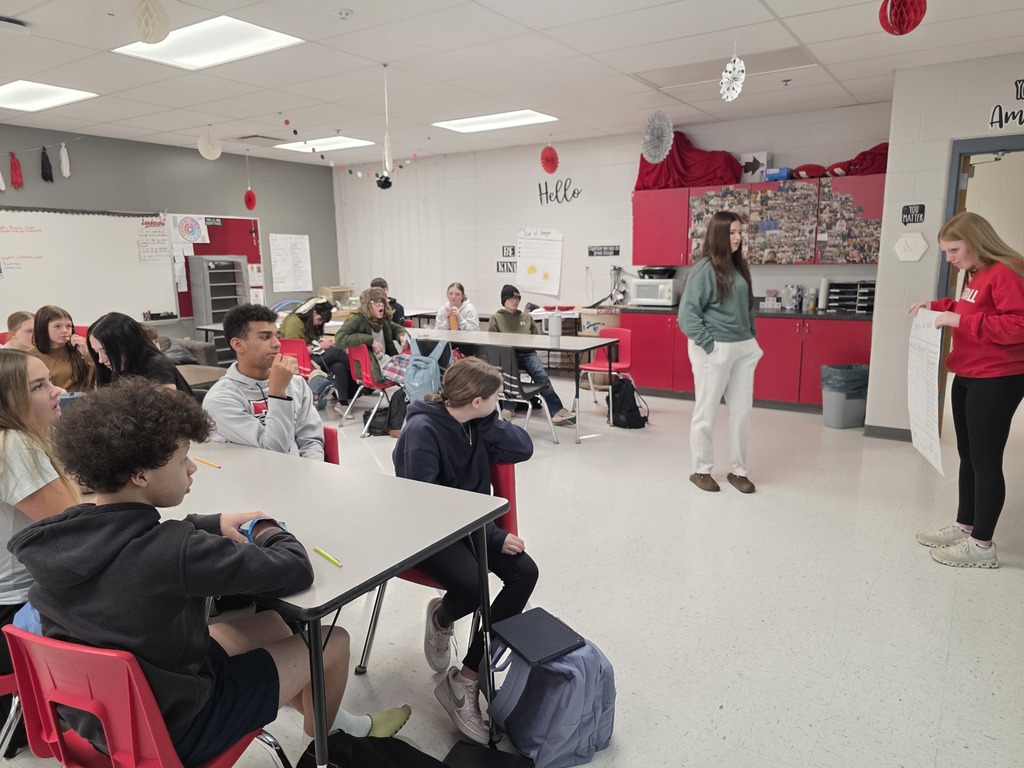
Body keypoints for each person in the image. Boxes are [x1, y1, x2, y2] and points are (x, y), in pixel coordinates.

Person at [7, 380, 409, 768]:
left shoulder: (62, 535)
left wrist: (209, 522)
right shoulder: (176, 553)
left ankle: (320, 712)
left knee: (270, 622)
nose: (192, 468)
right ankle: (326, 741)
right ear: (141, 475)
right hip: (178, 730)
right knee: (332, 641)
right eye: (182, 459)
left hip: (100, 718)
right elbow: (294, 570)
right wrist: (267, 528)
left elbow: (133, 535)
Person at [393, 358, 537, 745]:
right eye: (495, 399)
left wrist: (489, 420)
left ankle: (466, 678)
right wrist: (490, 537)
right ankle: (444, 616)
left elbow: (523, 448)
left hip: (470, 528)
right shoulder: (422, 429)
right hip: (426, 533)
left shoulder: (476, 422)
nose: (500, 402)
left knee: (526, 572)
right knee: (473, 589)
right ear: (475, 399)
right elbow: (427, 505)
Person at [909, 211, 1024, 569]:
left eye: (954, 250)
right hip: (969, 371)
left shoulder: (1007, 270)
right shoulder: (975, 273)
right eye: (946, 252)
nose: (950, 259)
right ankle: (966, 524)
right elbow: (970, 307)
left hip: (998, 377)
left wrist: (961, 320)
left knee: (986, 460)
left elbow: (1018, 324)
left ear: (975, 242)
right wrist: (939, 306)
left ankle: (982, 546)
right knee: (968, 454)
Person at [0, 349, 78, 757]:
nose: (58, 391)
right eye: (39, 386)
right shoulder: (14, 445)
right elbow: (80, 528)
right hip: (16, 617)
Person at [679, 210, 762, 494]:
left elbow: (747, 304)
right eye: (732, 233)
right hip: (714, 348)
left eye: (740, 232)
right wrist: (710, 346)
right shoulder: (704, 269)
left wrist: (751, 334)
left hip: (742, 348)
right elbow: (687, 316)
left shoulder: (740, 267)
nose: (738, 238)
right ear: (718, 235)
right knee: (707, 411)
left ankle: (738, 471)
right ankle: (701, 470)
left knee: (742, 412)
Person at [203, 304, 323, 460]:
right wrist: (278, 394)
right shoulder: (220, 399)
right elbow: (275, 452)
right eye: (265, 337)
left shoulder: (296, 384)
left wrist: (312, 475)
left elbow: (311, 441)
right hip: (253, 480)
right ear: (238, 345)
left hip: (300, 476)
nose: (277, 344)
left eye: (276, 335)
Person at [488, 284, 575, 426]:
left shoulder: (527, 317)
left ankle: (557, 411)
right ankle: (508, 407)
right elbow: (493, 340)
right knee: (510, 375)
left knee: (541, 375)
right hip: (508, 354)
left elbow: (536, 338)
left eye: (517, 298)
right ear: (504, 300)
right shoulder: (496, 318)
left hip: (527, 353)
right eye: (511, 298)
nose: (515, 301)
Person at [88, 311, 192, 394]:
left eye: (105, 351)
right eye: (97, 352)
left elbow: (165, 414)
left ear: (126, 344)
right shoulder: (119, 368)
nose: (101, 359)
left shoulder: (156, 366)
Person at [279, 297, 357, 405]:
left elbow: (309, 343)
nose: (319, 324)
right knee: (336, 352)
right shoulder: (294, 321)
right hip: (299, 362)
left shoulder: (307, 323)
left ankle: (343, 403)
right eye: (320, 320)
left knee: (338, 366)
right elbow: (293, 351)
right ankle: (359, 372)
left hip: (309, 358)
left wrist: (322, 343)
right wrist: (320, 346)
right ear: (313, 312)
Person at [335, 287, 409, 385]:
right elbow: (339, 339)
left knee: (415, 365)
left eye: (383, 301)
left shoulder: (382, 320)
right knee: (410, 375)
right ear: (367, 305)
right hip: (373, 368)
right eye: (376, 302)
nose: (381, 304)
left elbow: (397, 328)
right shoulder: (357, 319)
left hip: (387, 361)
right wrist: (370, 340)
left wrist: (401, 337)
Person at [31, 305, 95, 392]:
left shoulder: (79, 349)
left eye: (68, 326)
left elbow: (96, 379)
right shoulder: (31, 357)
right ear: (42, 328)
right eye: (57, 326)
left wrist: (88, 353)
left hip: (83, 402)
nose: (65, 331)